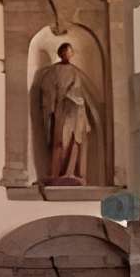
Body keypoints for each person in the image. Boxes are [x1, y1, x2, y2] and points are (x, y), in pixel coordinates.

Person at [37, 42, 99, 183]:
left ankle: (71, 172)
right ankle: (56, 172)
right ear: (60, 54)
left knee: (75, 140)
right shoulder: (53, 71)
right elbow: (47, 90)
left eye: (70, 52)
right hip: (61, 109)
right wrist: (52, 106)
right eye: (65, 52)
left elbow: (79, 90)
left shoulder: (76, 71)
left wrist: (74, 98)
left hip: (76, 111)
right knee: (59, 141)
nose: (67, 54)